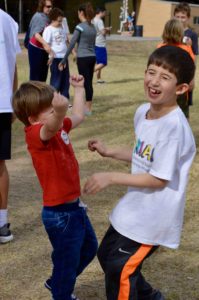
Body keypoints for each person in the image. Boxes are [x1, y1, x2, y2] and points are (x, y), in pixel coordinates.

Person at [83, 46, 196, 300]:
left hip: (154, 216)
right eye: (151, 72)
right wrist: (109, 151)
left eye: (164, 77)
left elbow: (158, 178)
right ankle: (148, 296)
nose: (154, 81)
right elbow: (142, 154)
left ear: (181, 89)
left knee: (120, 268)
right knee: (106, 256)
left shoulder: (174, 128)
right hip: (135, 208)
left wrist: (110, 177)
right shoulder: (142, 113)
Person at [12, 75, 98, 300]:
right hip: (60, 215)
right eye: (49, 109)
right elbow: (48, 128)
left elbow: (78, 115)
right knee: (67, 259)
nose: (56, 111)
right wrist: (58, 112)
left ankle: (57, 281)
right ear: (32, 119)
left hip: (75, 208)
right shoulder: (35, 134)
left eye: (55, 106)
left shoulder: (59, 128)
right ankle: (62, 293)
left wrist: (78, 89)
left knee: (89, 248)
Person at [0, 9, 21, 244]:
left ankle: (2, 223)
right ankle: (2, 223)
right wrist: (12, 99)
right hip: (4, 104)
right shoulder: (8, 20)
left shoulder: (8, 21)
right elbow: (13, 64)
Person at [59, 2, 96, 115]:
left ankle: (88, 109)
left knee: (86, 83)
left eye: (78, 12)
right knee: (89, 82)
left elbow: (71, 44)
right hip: (92, 57)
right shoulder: (92, 27)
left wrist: (64, 59)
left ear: (81, 13)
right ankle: (87, 107)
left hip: (83, 58)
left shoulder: (80, 27)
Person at [157, 18, 195, 118]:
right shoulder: (186, 49)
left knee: (163, 114)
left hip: (163, 87)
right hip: (180, 88)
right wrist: (191, 83)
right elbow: (191, 68)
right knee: (182, 116)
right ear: (180, 32)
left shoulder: (160, 47)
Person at [174, 2, 198, 117]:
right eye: (177, 17)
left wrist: (192, 78)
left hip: (185, 76)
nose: (180, 19)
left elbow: (194, 57)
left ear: (188, 18)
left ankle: (184, 133)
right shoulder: (172, 32)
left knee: (183, 111)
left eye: (183, 17)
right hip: (172, 74)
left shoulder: (192, 35)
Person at [43, 7, 71, 98]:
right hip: (55, 59)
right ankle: (53, 100)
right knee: (56, 81)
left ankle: (65, 100)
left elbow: (66, 41)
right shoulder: (48, 30)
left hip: (64, 58)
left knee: (65, 80)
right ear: (53, 19)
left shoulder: (62, 28)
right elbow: (46, 45)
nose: (60, 23)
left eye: (61, 21)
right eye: (59, 21)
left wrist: (72, 52)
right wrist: (51, 55)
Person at [27, 0, 54, 81]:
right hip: (36, 49)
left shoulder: (47, 17)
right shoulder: (39, 17)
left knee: (43, 76)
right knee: (36, 77)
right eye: (48, 6)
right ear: (42, 6)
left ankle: (41, 93)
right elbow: (36, 34)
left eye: (51, 6)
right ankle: (34, 93)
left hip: (43, 49)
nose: (50, 8)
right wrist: (46, 45)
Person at [93, 7, 111, 84]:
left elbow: (99, 31)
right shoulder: (99, 21)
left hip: (95, 43)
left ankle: (99, 79)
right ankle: (89, 72)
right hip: (100, 44)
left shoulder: (93, 19)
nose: (105, 14)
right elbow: (103, 32)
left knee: (99, 62)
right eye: (104, 12)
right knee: (103, 62)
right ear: (101, 12)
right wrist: (107, 29)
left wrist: (104, 29)